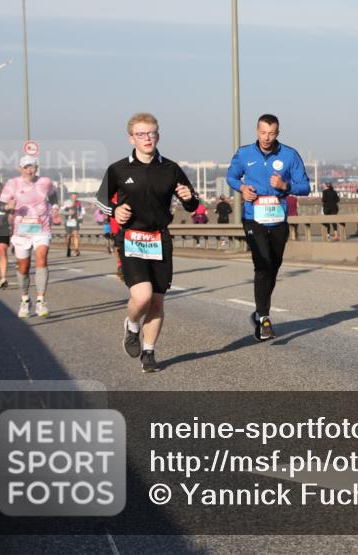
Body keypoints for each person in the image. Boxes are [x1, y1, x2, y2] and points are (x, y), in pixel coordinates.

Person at [96, 112, 200, 373]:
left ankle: (149, 351)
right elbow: (101, 201)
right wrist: (115, 210)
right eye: (141, 134)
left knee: (156, 301)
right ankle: (132, 326)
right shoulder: (118, 169)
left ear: (158, 135)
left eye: (151, 133)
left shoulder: (171, 168)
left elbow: (192, 203)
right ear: (131, 138)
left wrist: (189, 198)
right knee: (141, 296)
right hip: (131, 238)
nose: (147, 138)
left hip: (159, 238)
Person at [225, 113, 310, 342]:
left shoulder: (289, 155)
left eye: (271, 133)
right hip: (254, 217)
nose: (266, 137)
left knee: (273, 266)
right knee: (262, 264)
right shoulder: (244, 154)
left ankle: (259, 310)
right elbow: (231, 177)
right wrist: (242, 189)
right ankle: (264, 317)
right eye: (263, 132)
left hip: (278, 219)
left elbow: (305, 187)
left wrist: (285, 185)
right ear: (257, 131)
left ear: (278, 133)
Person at [0, 155, 60, 317]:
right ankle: (25, 299)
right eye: (26, 167)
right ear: (20, 169)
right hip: (22, 230)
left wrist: (54, 206)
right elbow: (1, 203)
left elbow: (53, 195)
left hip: (42, 228)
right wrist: (8, 206)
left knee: (42, 258)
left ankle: (41, 301)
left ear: (36, 168)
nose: (29, 170)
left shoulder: (45, 182)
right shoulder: (12, 184)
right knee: (23, 267)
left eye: (32, 167)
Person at [63, 193, 83, 257]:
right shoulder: (67, 202)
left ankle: (76, 250)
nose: (74, 198)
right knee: (69, 236)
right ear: (71, 197)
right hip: (68, 221)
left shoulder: (78, 203)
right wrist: (67, 212)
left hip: (75, 221)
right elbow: (61, 211)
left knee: (76, 235)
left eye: (75, 196)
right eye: (73, 196)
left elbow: (80, 213)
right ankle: (68, 248)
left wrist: (81, 221)